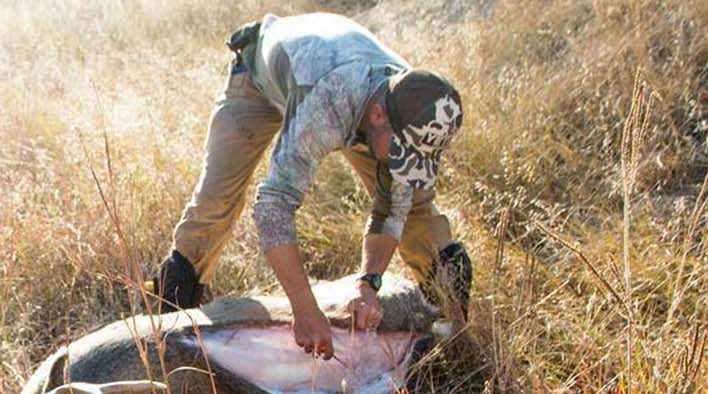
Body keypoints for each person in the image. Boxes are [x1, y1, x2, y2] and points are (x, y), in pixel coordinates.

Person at [151, 12, 473, 349]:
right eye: (401, 151)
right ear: (379, 115)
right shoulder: (329, 103)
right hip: (261, 86)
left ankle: (448, 331)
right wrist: (304, 309)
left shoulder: (412, 105)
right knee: (214, 203)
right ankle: (167, 328)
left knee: (418, 211)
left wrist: (368, 285)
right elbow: (273, 206)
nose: (402, 162)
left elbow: (395, 206)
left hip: (337, 85)